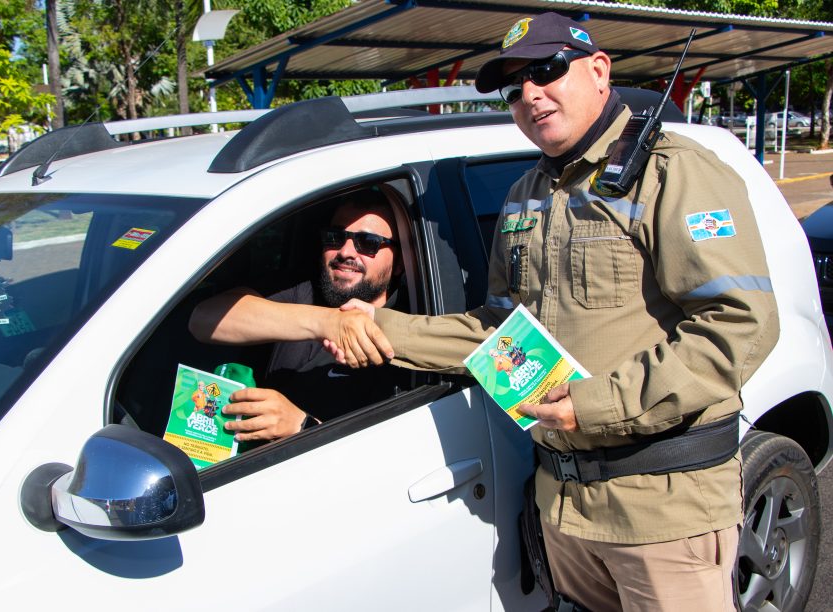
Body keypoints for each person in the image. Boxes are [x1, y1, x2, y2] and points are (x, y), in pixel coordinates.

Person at [329, 12, 779, 612]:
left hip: (662, 514)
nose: (530, 95)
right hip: (563, 508)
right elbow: (498, 335)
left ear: (599, 71)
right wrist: (374, 324)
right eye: (515, 89)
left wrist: (591, 406)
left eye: (546, 71)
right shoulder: (525, 196)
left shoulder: (675, 172)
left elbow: (739, 325)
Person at [188, 187, 405, 444]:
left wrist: (302, 426)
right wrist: (328, 322)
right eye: (335, 237)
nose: (345, 252)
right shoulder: (301, 290)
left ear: (400, 263)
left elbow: (387, 452)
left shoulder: (406, 329)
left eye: (368, 242)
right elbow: (203, 319)